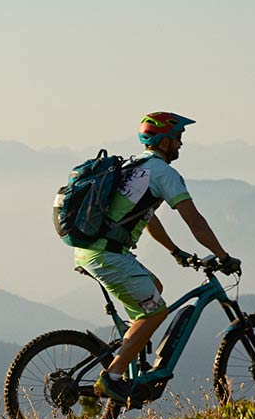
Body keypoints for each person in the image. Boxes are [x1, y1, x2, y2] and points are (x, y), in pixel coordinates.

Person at [74, 113, 239, 402]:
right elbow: (195, 221)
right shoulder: (163, 173)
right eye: (177, 138)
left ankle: (127, 354)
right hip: (108, 256)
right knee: (156, 311)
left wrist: (174, 251)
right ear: (164, 141)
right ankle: (112, 377)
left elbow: (147, 218)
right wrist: (222, 256)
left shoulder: (134, 166)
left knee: (155, 289)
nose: (180, 145)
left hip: (94, 250)